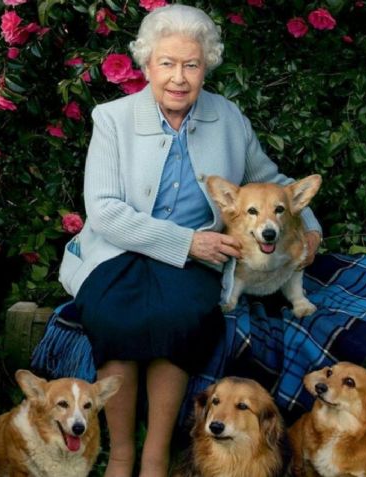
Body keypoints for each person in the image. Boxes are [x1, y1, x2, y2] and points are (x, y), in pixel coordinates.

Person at [58, 5, 322, 476]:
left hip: (195, 259)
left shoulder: (227, 117)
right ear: (145, 66)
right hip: (119, 249)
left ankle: (155, 456)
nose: (178, 77)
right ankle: (120, 454)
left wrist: (313, 226)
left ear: (206, 67)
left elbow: (271, 181)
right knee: (113, 317)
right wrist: (186, 242)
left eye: (191, 65)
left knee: (183, 318)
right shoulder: (112, 119)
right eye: (167, 63)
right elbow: (103, 210)